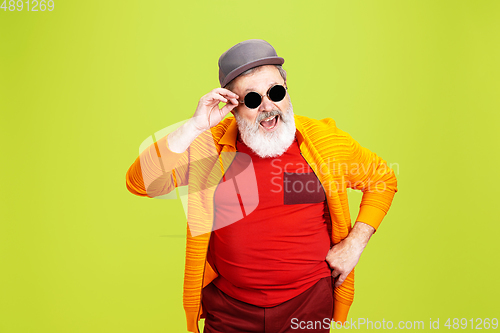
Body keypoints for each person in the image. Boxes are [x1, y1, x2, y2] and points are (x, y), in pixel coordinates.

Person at [126, 39, 398, 333]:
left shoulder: (323, 142)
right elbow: (141, 183)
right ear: (232, 106)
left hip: (307, 304)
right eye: (253, 100)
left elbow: (382, 177)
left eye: (276, 92)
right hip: (230, 309)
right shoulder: (210, 147)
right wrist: (193, 127)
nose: (268, 107)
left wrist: (355, 243)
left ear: (286, 90)